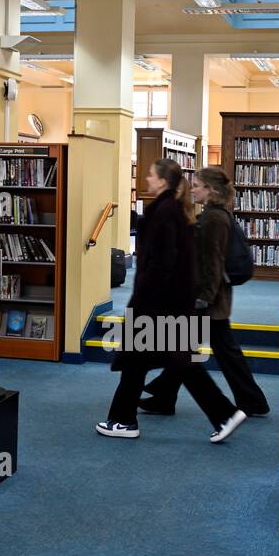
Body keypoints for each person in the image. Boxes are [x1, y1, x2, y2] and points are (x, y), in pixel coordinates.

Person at [96, 159, 246, 443]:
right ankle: (123, 419)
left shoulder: (163, 213)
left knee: (174, 361)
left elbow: (160, 266)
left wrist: (142, 303)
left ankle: (223, 412)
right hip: (168, 302)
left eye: (151, 174)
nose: (147, 178)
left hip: (157, 304)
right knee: (141, 363)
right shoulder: (175, 211)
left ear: (163, 181)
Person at [140, 166, 270, 417]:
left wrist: (203, 298)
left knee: (204, 350)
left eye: (197, 185)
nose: (193, 190)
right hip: (210, 298)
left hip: (207, 300)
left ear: (210, 190)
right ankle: (165, 396)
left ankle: (166, 396)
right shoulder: (214, 215)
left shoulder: (213, 219)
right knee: (197, 349)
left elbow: (213, 262)